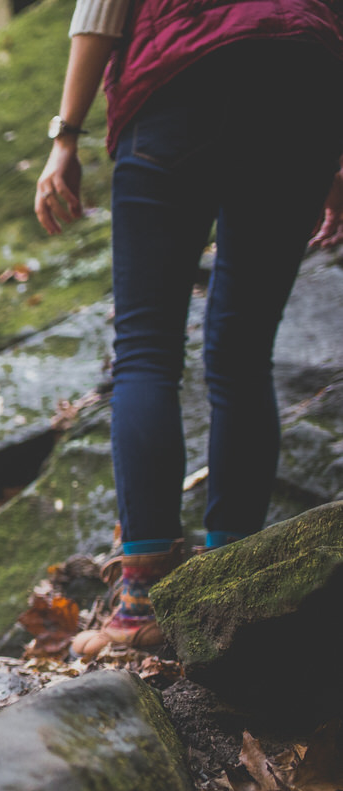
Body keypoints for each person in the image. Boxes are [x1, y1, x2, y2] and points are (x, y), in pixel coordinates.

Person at [34, 0, 343, 656]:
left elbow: (102, 8)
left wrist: (66, 136)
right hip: (305, 82)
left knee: (146, 350)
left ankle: (142, 601)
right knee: (244, 350)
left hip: (178, 80)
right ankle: (229, 593)